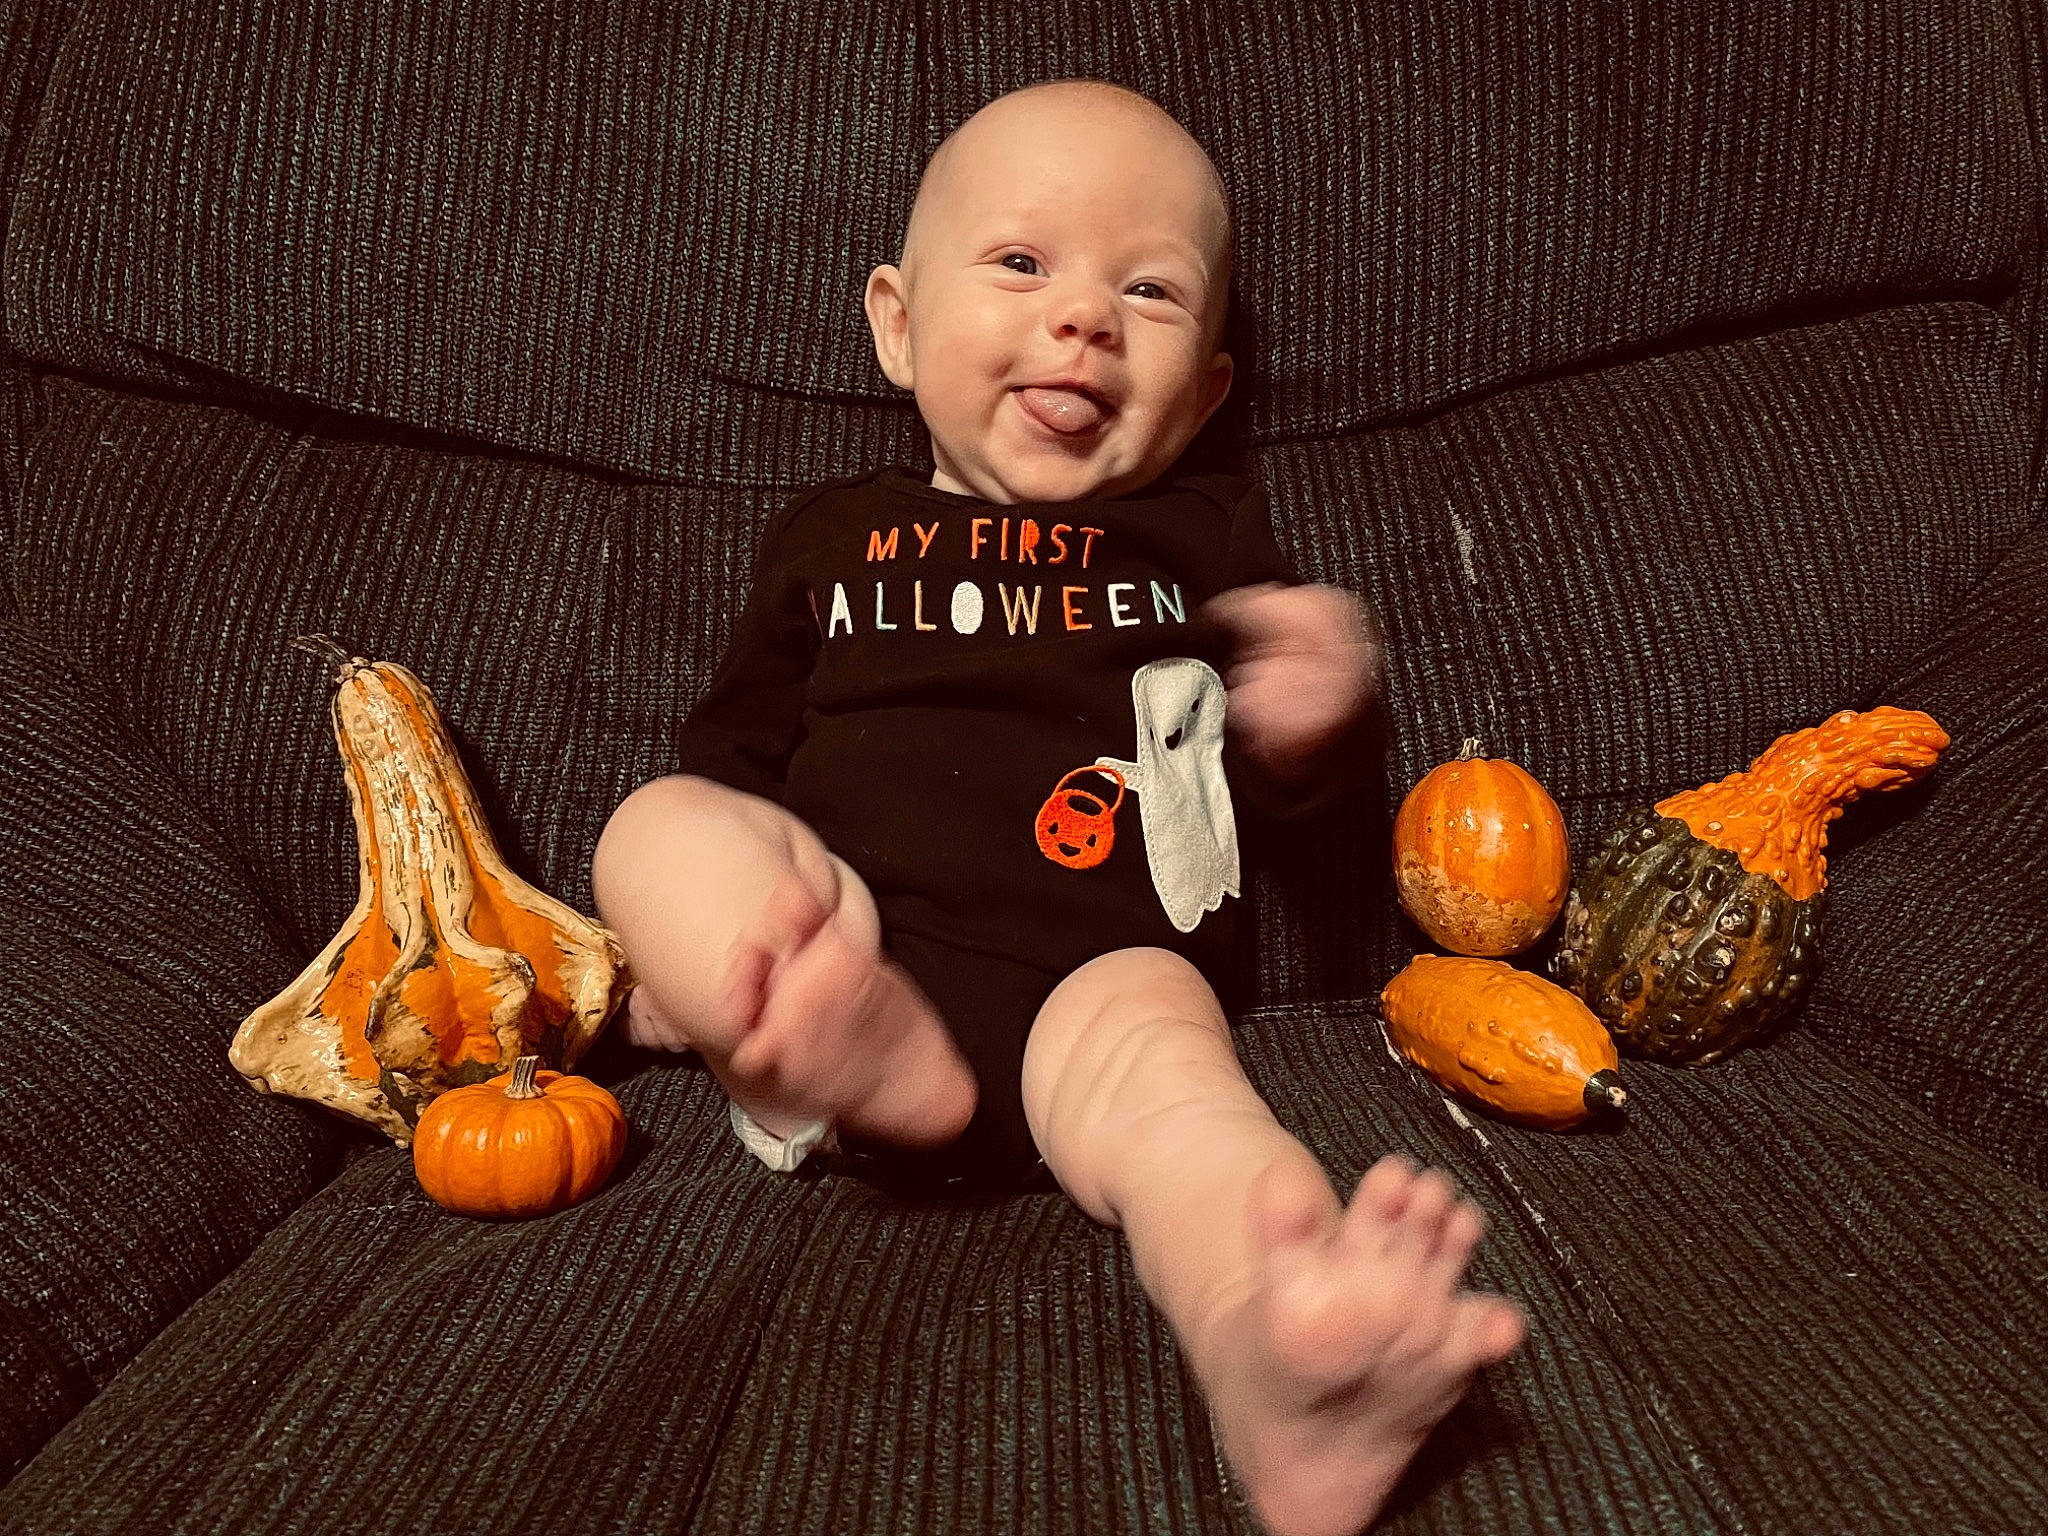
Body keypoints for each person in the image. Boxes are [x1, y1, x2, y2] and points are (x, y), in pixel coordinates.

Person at [591, 76, 1526, 1536]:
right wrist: (673, 952)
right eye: (1023, 264)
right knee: (654, 825)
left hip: (1107, 975)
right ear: (897, 325)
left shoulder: (1204, 536)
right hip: (844, 939)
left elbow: (1303, 818)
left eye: (1148, 290)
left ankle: (1276, 1356)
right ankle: (824, 1040)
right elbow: (732, 765)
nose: (1083, 315)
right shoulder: (828, 536)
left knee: (1186, 1115)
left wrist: (1320, 710)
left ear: (1209, 383)